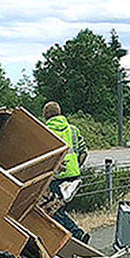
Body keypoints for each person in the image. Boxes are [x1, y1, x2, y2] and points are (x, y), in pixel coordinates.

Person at [42, 101, 89, 243]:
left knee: (53, 210)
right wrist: (76, 167)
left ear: (46, 115)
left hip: (56, 177)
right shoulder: (73, 130)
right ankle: (73, 237)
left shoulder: (45, 131)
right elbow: (84, 152)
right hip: (74, 176)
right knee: (59, 209)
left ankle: (76, 235)